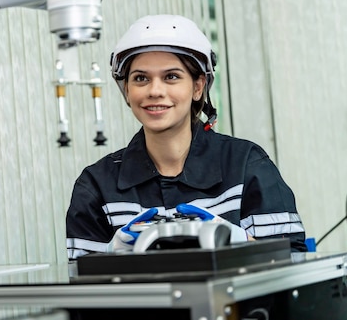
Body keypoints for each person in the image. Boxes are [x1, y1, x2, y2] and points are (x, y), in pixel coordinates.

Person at [66, 14, 306, 259]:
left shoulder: (246, 165)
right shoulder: (97, 185)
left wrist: (242, 243)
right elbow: (79, 285)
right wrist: (106, 259)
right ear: (126, 90)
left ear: (198, 87)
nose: (155, 91)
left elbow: (295, 264)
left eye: (171, 76)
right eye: (140, 78)